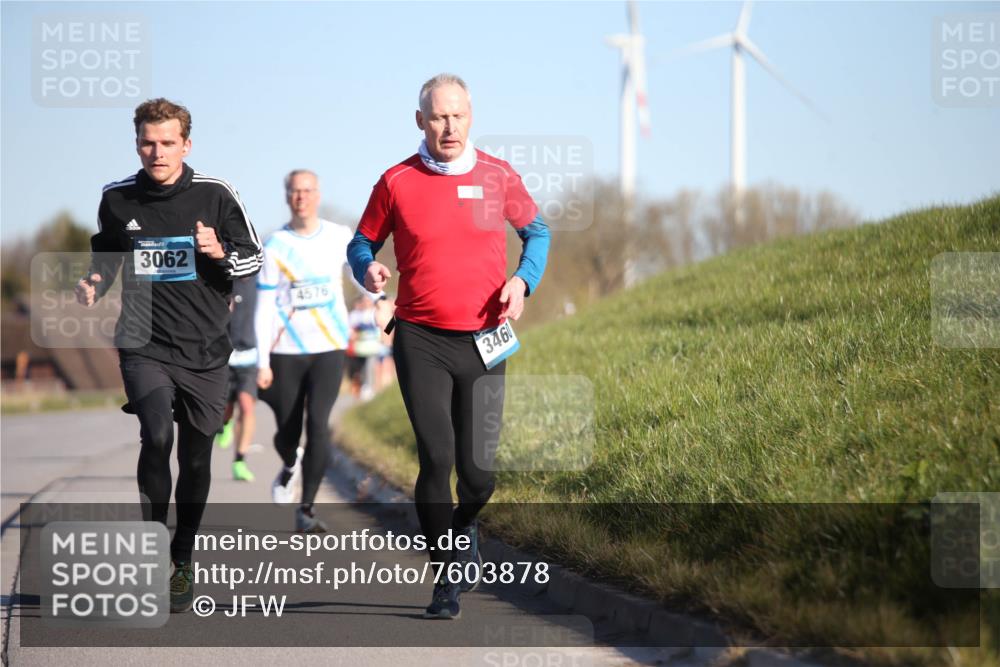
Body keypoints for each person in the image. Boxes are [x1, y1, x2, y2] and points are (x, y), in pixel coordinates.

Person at [347, 73, 550, 619]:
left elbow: (538, 233)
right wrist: (368, 269)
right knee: (437, 458)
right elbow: (361, 242)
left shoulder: (497, 175)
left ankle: (465, 527)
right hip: (420, 338)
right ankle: (445, 577)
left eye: (458, 115)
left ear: (471, 116)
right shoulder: (396, 181)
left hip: (485, 339)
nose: (449, 126)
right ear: (421, 121)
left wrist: (522, 281)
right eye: (438, 116)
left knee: (479, 475)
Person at [75, 98, 262, 613]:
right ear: (137, 144)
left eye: (167, 143)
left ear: (186, 145)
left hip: (205, 348)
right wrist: (93, 282)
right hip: (143, 343)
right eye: (147, 143)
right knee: (157, 436)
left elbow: (253, 259)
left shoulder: (216, 194)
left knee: (196, 458)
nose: (156, 152)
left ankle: (183, 556)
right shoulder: (117, 198)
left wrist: (218, 252)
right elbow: (107, 256)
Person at [255, 169, 358, 533]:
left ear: (318, 194)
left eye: (308, 190)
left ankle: (307, 509)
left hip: (329, 345)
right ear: (287, 196)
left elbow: (359, 273)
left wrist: (378, 296)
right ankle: (289, 464)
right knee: (287, 431)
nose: (301, 197)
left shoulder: (339, 236)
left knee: (318, 425)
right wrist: (262, 360)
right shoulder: (275, 245)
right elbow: (264, 307)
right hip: (286, 350)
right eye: (295, 191)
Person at [215, 275, 259, 482]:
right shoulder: (225, 280)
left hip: (250, 356)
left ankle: (240, 461)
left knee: (247, 405)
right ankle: (225, 423)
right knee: (225, 406)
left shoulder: (260, 281)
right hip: (224, 355)